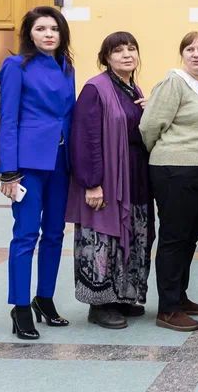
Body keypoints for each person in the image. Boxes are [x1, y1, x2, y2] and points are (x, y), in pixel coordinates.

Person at [140, 31, 198, 333]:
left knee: (191, 237)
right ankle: (167, 308)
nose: (196, 53)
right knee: (174, 238)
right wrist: (167, 151)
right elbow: (150, 125)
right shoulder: (173, 82)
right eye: (189, 48)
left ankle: (180, 295)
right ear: (182, 54)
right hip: (174, 170)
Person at [0, 6, 76, 340]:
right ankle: (20, 307)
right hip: (28, 163)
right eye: (41, 28)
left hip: (61, 162)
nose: (48, 34)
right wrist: (8, 171)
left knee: (56, 234)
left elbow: (69, 115)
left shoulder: (67, 66)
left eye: (54, 28)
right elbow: (8, 118)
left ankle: (44, 297)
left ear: (62, 34)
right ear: (29, 33)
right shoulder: (16, 66)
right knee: (26, 235)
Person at [67, 32, 151, 330]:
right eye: (118, 50)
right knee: (103, 239)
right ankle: (99, 305)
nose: (127, 54)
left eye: (132, 48)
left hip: (135, 177)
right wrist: (92, 183)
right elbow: (85, 138)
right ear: (106, 58)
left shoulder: (133, 89)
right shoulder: (95, 88)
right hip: (107, 181)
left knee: (132, 235)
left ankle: (122, 297)